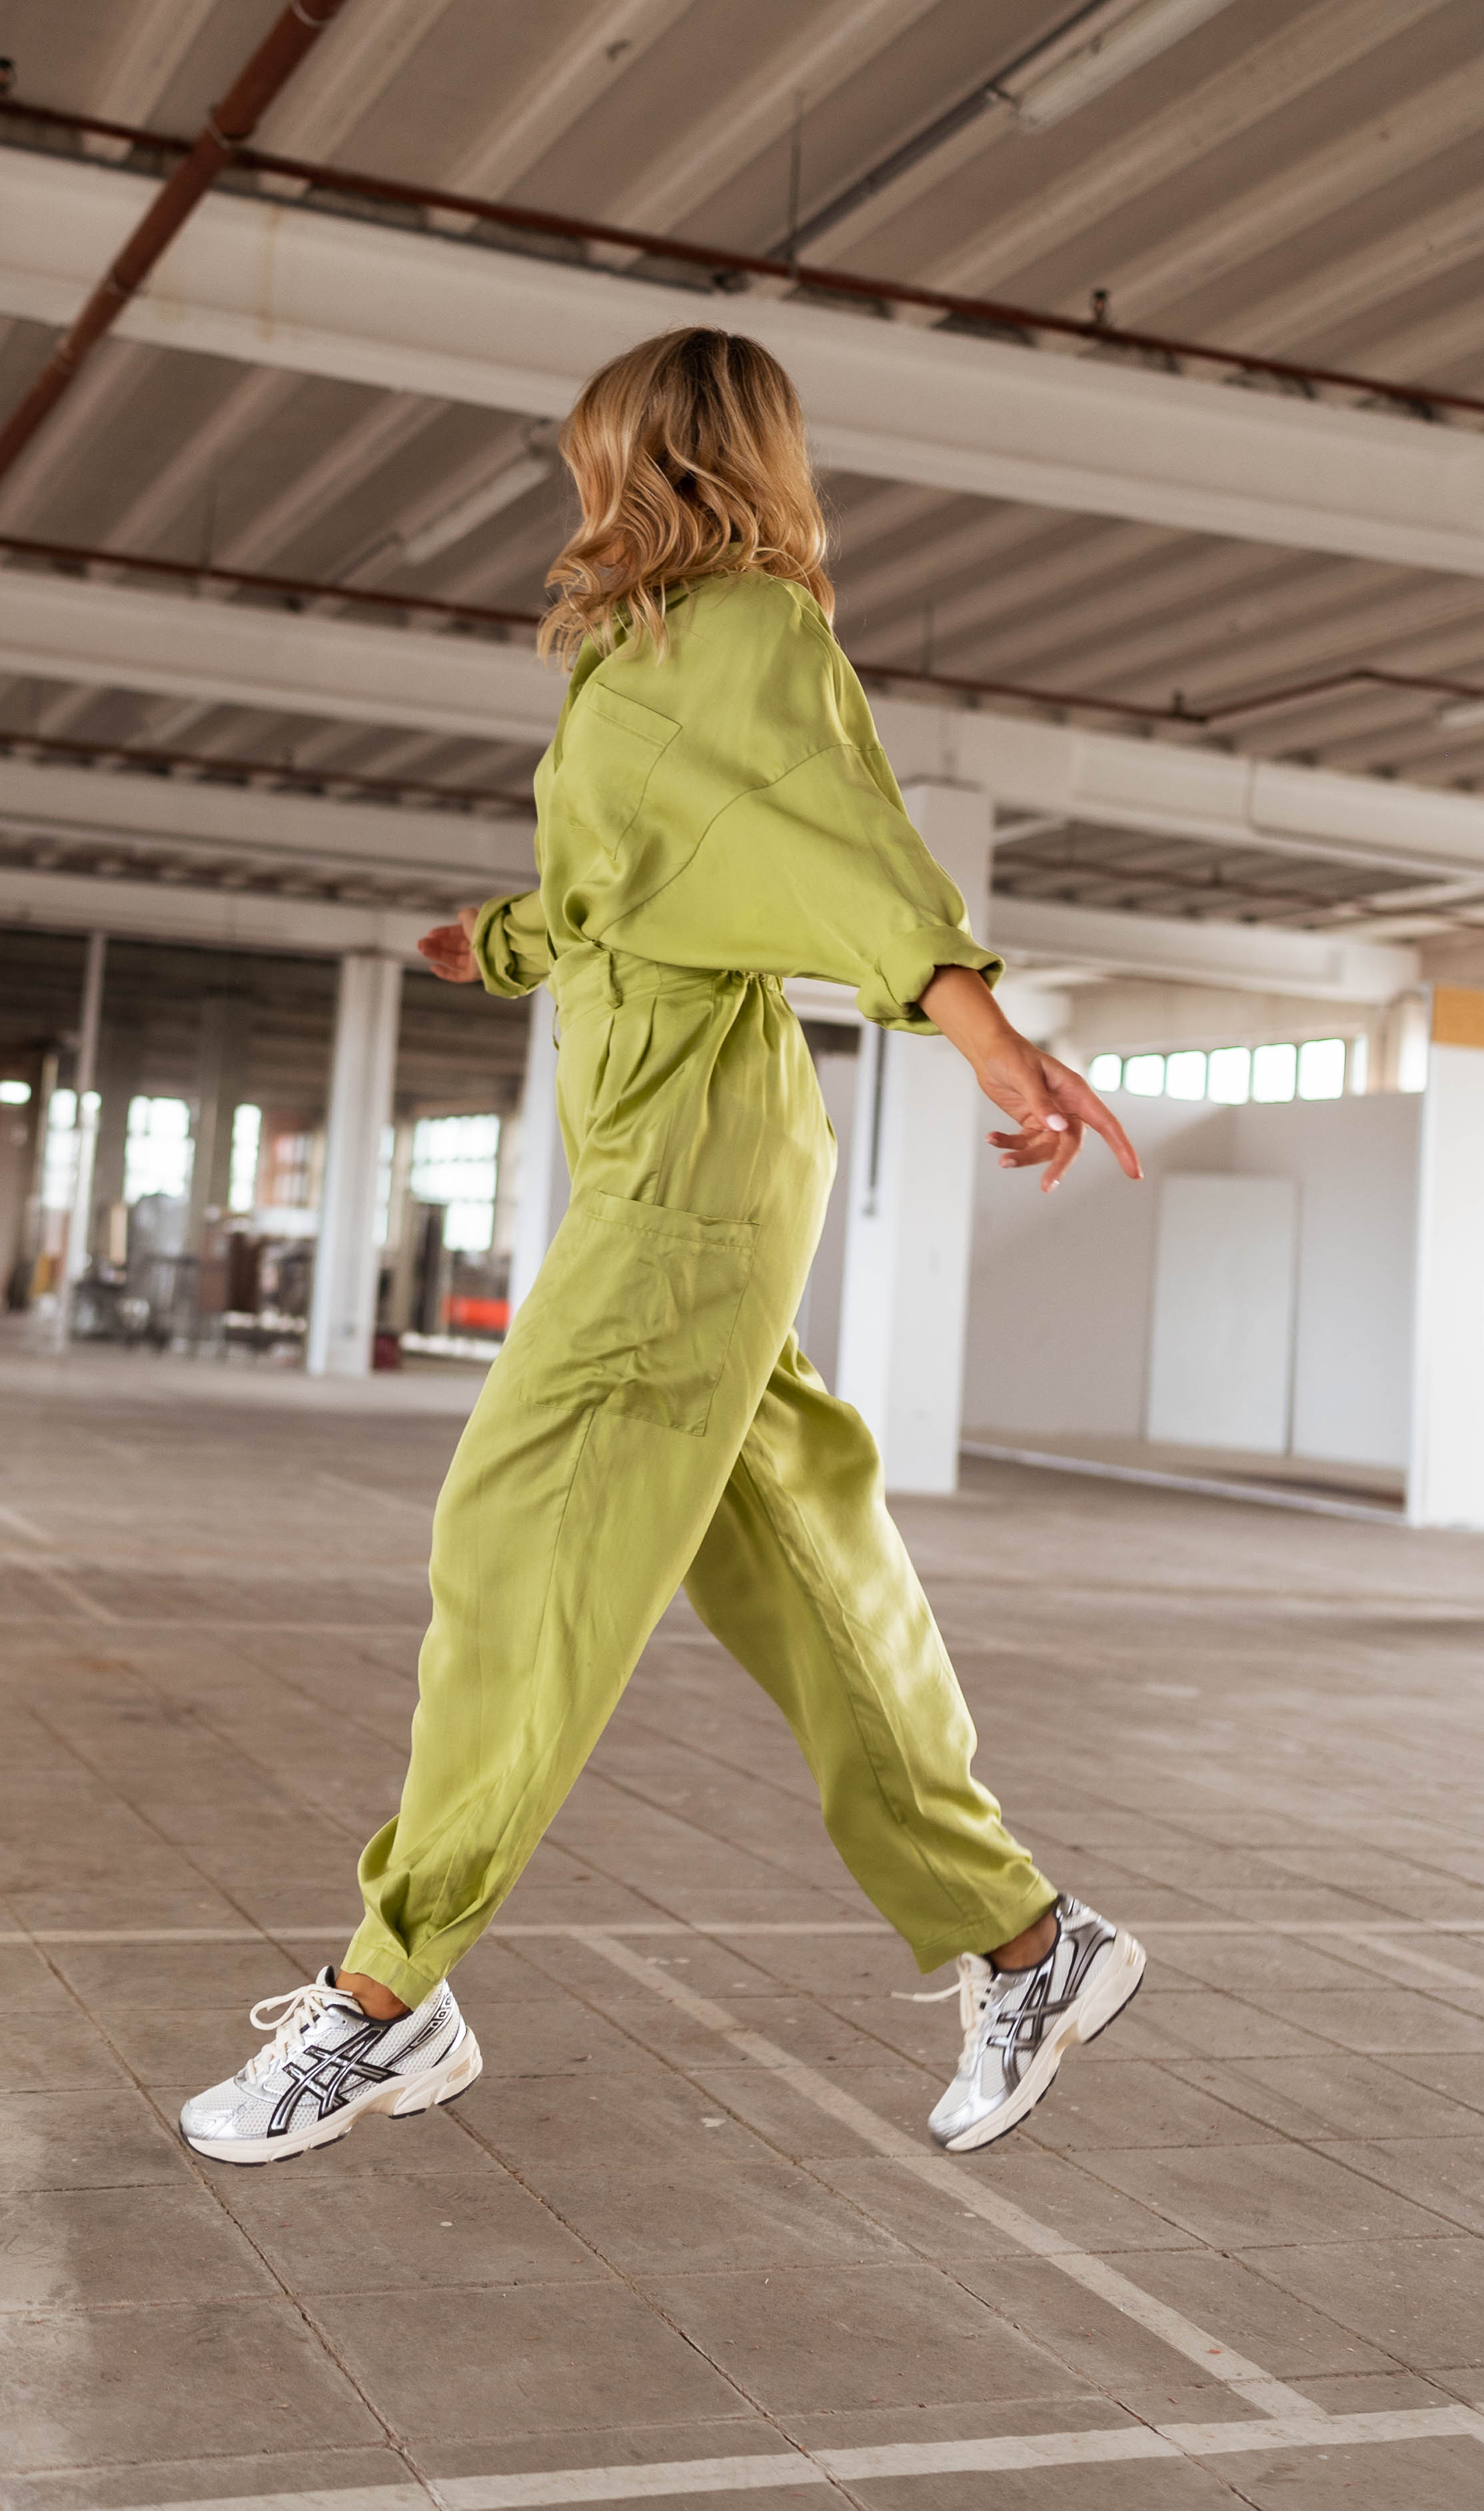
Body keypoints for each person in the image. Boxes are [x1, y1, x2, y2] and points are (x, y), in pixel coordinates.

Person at [181, 326, 1145, 2171]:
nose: (581, 485)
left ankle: (390, 2000)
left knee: (517, 1528)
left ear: (660, 457)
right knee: (791, 1556)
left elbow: (842, 848)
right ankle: (1033, 1945)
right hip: (673, 1144)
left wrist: (985, 1033)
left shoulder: (750, 636)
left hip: (698, 1165)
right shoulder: (639, 657)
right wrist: (506, 940)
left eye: (598, 453)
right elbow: (639, 891)